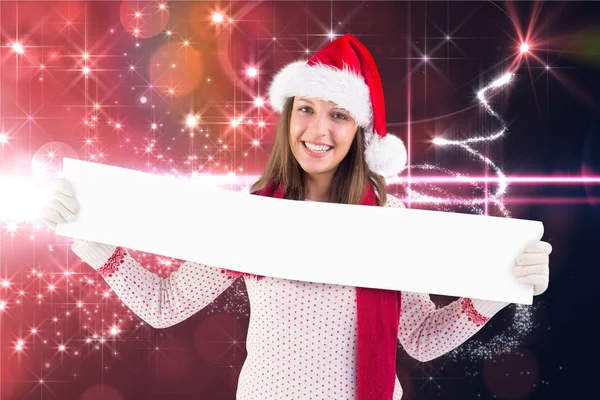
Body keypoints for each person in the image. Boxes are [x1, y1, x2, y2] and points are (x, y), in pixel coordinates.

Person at [40, 34, 552, 400]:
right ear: (289, 116)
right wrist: (89, 239)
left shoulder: (389, 223)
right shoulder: (254, 216)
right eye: (307, 108)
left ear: (359, 133)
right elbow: (165, 303)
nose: (319, 130)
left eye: (339, 114)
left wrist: (498, 286)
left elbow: (420, 339)